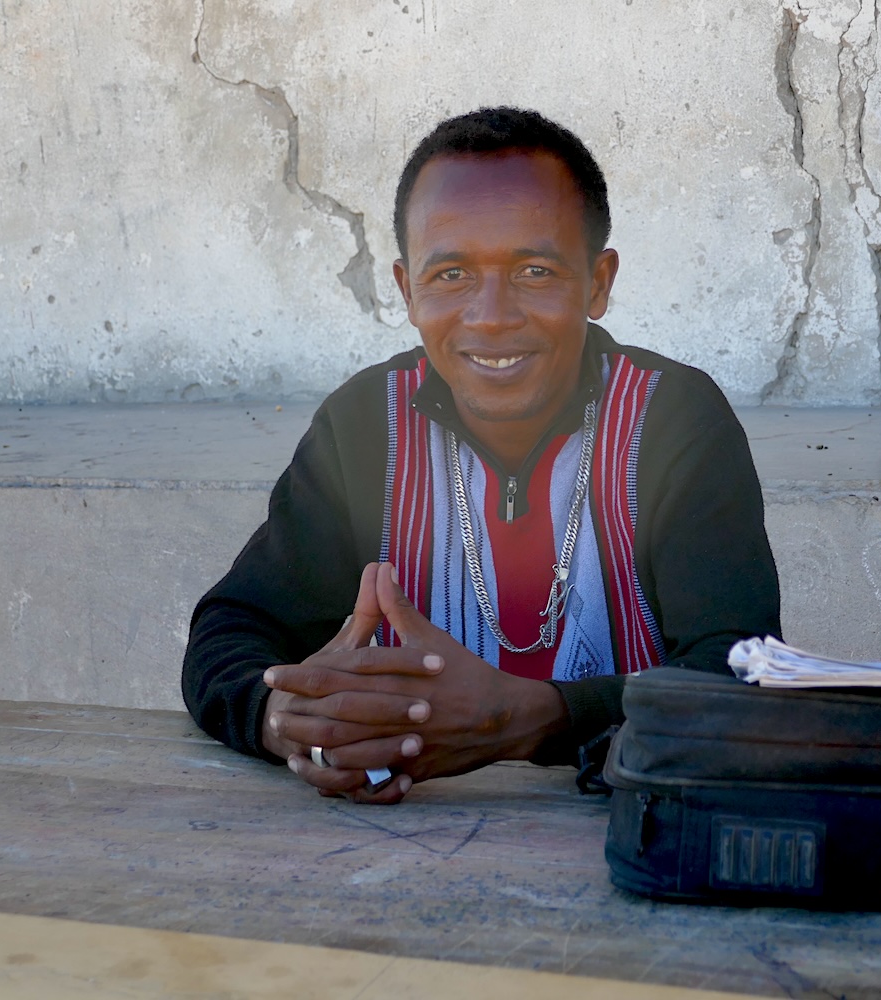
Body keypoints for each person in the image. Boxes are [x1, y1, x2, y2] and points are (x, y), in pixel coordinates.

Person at [181, 106, 782, 804]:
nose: (492, 315)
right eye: (451, 276)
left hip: (624, 842)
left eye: (534, 270)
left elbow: (738, 670)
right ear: (408, 291)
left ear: (598, 283)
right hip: (393, 846)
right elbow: (233, 630)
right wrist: (288, 718)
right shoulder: (365, 426)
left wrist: (529, 721)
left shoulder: (671, 419)